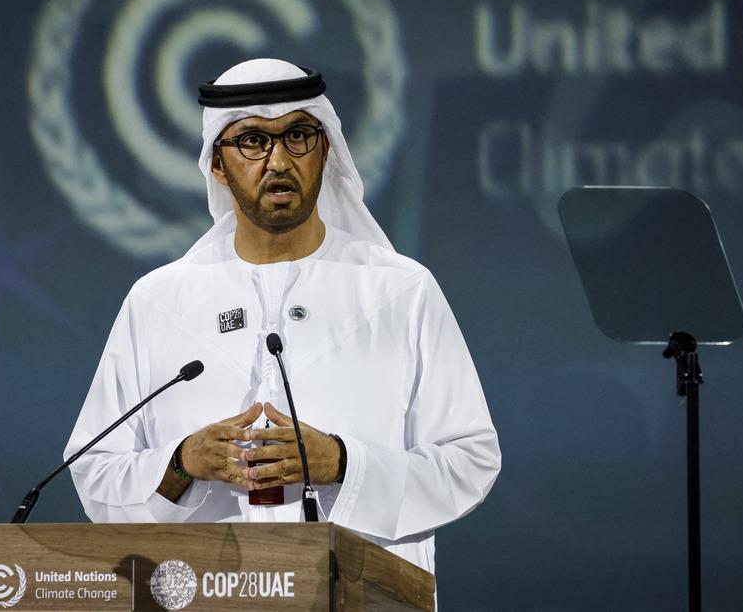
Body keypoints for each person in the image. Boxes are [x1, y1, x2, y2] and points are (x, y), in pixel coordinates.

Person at [65, 58, 500, 576]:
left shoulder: (400, 289)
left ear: (326, 150)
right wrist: (182, 463)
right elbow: (95, 470)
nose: (277, 161)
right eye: (251, 140)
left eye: (297, 135)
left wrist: (341, 462)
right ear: (218, 166)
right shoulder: (159, 300)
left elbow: (470, 460)